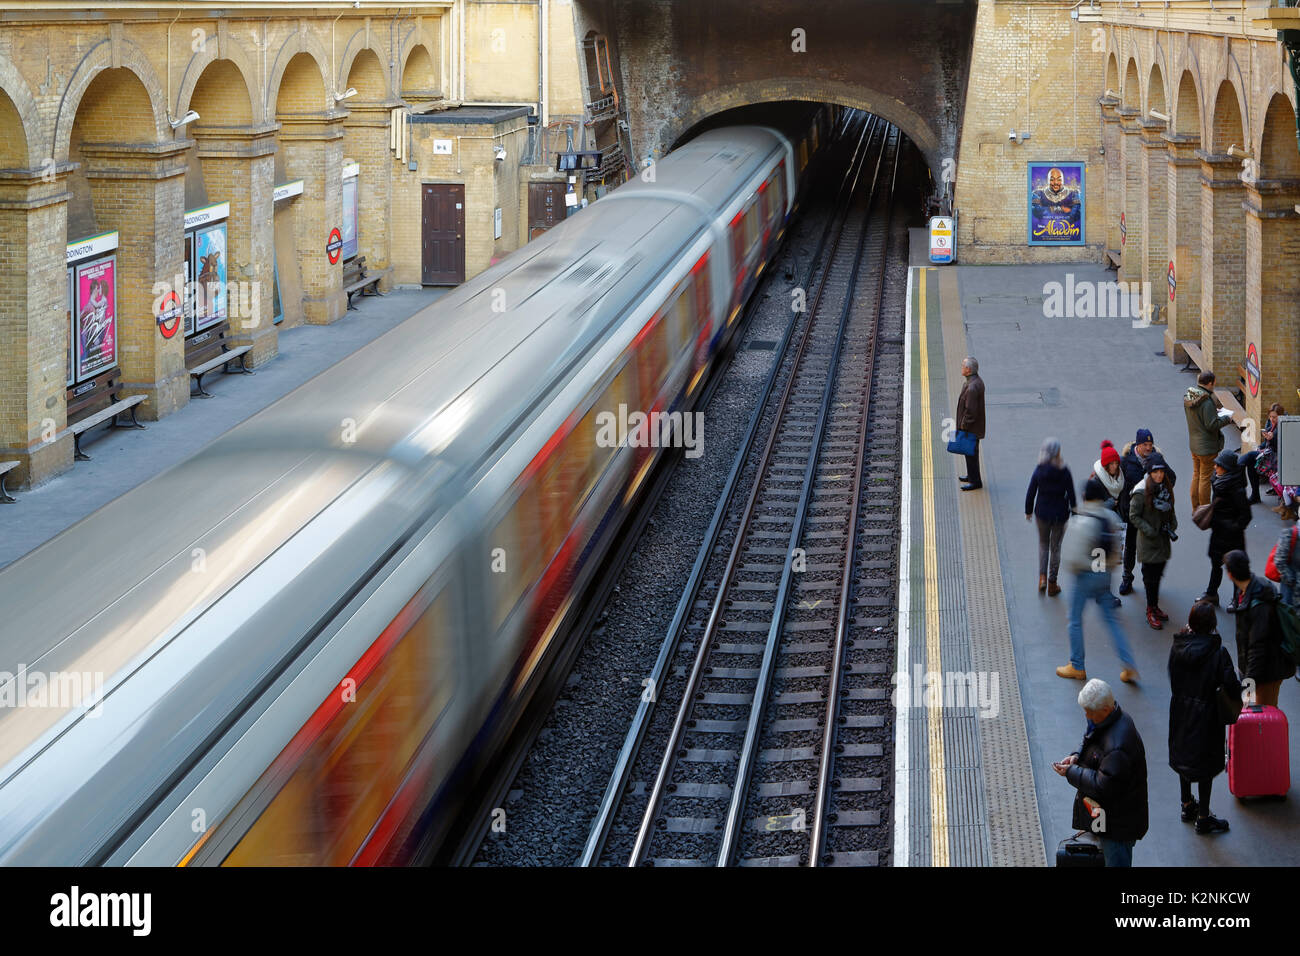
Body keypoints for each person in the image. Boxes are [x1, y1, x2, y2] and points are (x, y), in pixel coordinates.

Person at [1054, 678, 1149, 867]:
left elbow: (1101, 785)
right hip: (1110, 819)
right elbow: (1090, 738)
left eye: (1089, 711)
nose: (1086, 715)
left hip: (1117, 827)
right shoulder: (1109, 721)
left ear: (1104, 710)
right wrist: (1077, 756)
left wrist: (1072, 772)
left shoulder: (1118, 747)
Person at [1167, 602, 1240, 835]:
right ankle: (1204, 816)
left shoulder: (1177, 647)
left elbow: (1173, 677)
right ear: (1212, 626)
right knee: (1206, 764)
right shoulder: (1217, 652)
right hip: (1207, 716)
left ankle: (1186, 804)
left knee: (1184, 758)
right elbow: (1231, 685)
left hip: (1180, 710)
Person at [1057, 476, 1137, 683]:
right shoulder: (1112, 518)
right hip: (1104, 576)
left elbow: (1071, 558)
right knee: (1112, 621)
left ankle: (1077, 665)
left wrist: (1081, 569)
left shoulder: (1078, 521)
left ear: (1084, 496)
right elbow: (1118, 551)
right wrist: (1106, 568)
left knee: (1074, 620)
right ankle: (1128, 665)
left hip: (1084, 577)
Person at [1224, 550, 1295, 708]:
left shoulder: (1259, 603)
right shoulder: (1244, 589)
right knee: (1249, 713)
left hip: (1267, 671)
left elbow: (1258, 648)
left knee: (1265, 716)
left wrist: (1249, 683)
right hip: (1253, 668)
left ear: (1230, 574)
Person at [1117, 428, 1176, 596]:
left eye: (1150, 444)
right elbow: (1118, 483)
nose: (1149, 448)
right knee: (1130, 547)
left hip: (1150, 515)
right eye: (1145, 445)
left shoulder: (1156, 459)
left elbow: (1172, 477)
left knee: (1147, 548)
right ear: (1138, 444)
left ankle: (1147, 579)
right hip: (1131, 512)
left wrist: (1161, 491)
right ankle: (1127, 577)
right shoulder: (1126, 461)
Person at [1129, 453, 1178, 630]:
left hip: (1163, 540)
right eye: (1155, 472)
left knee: (1158, 574)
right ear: (1149, 472)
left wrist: (1173, 523)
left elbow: (1170, 509)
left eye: (1161, 471)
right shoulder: (1141, 491)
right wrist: (1149, 530)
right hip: (1149, 542)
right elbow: (1133, 515)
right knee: (1151, 578)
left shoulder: (1165, 487)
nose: (1159, 475)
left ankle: (1155, 606)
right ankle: (1151, 609)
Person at [1200, 448, 1251, 610]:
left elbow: (1246, 515)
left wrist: (1232, 527)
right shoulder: (1219, 480)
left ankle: (1237, 599)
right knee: (1216, 565)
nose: (1215, 467)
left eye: (1219, 465)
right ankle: (1212, 594)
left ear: (1227, 469)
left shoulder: (1237, 489)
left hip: (1231, 537)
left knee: (1234, 568)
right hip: (1219, 533)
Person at [1025, 437, 1076, 595]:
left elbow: (1031, 491)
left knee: (1043, 544)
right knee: (1055, 548)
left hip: (1042, 514)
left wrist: (1028, 510)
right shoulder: (1064, 470)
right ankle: (1052, 584)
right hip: (1060, 515)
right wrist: (1074, 512)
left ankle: (1042, 578)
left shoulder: (1039, 469)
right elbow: (1072, 493)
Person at [1185, 370, 1233, 511]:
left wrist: (1214, 413)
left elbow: (1200, 417)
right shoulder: (1206, 401)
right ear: (1210, 383)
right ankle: (1205, 510)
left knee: (1196, 475)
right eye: (1214, 384)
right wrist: (1226, 418)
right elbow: (1211, 425)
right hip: (1207, 447)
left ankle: (1195, 508)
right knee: (1205, 478)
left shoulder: (1190, 396)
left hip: (1194, 444)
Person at [1093, 440, 1126, 608]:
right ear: (1105, 466)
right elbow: (1090, 507)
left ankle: (1103, 593)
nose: (1115, 466)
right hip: (1099, 530)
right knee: (1101, 564)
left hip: (1113, 527)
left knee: (1108, 564)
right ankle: (1102, 594)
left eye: (1116, 463)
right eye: (1111, 464)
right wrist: (1109, 504)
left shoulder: (1119, 479)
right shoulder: (1096, 481)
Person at [1239, 403, 1284, 504]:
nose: (1272, 419)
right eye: (1270, 416)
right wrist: (1261, 446)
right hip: (1269, 454)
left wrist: (1272, 439)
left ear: (1280, 416)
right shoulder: (1270, 424)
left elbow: (1281, 446)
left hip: (1277, 458)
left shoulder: (1283, 425)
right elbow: (1266, 443)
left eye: (1274, 417)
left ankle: (1236, 470)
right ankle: (1255, 495)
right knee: (1251, 462)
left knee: (1250, 456)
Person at [956, 356, 985, 491]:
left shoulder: (972, 387)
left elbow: (971, 411)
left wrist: (963, 425)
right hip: (972, 427)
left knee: (972, 454)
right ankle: (971, 476)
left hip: (971, 428)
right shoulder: (973, 382)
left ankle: (975, 481)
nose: (961, 368)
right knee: (969, 453)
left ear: (968, 370)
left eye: (963, 366)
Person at [1276, 519, 1300, 606]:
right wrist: (1291, 580)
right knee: (1289, 615)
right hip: (1291, 591)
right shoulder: (1290, 534)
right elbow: (1279, 560)